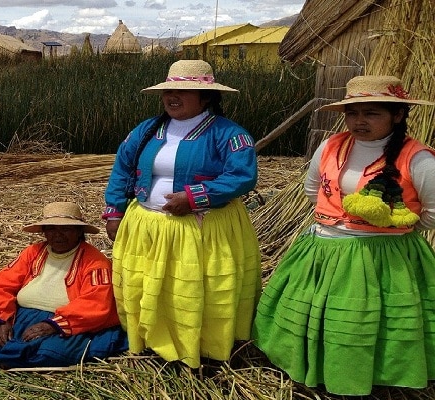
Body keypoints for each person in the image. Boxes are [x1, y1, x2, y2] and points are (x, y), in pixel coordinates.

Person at [252, 75, 435, 395]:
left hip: (383, 255)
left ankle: (371, 375)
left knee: (365, 323)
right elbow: (313, 189)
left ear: (398, 115)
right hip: (324, 246)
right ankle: (314, 365)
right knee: (320, 315)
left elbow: (432, 211)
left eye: (371, 113)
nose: (359, 121)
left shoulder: (417, 158)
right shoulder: (331, 145)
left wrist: (397, 229)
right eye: (353, 113)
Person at [102, 59, 261, 370]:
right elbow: (122, 168)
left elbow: (242, 176)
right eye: (169, 91)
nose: (172, 97)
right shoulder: (148, 129)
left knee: (193, 288)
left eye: (183, 91)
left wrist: (194, 198)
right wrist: (115, 210)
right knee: (150, 285)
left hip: (202, 228)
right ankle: (152, 341)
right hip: (147, 225)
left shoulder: (228, 134)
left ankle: (201, 348)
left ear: (207, 98)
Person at [0, 202, 127, 368]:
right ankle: (16, 355)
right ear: (44, 231)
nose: (57, 235)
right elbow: (2, 284)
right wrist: (2, 320)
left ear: (79, 231)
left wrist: (51, 325)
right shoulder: (33, 252)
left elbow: (96, 304)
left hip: (63, 324)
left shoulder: (95, 262)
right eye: (51, 228)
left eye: (65, 228)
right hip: (19, 316)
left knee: (55, 349)